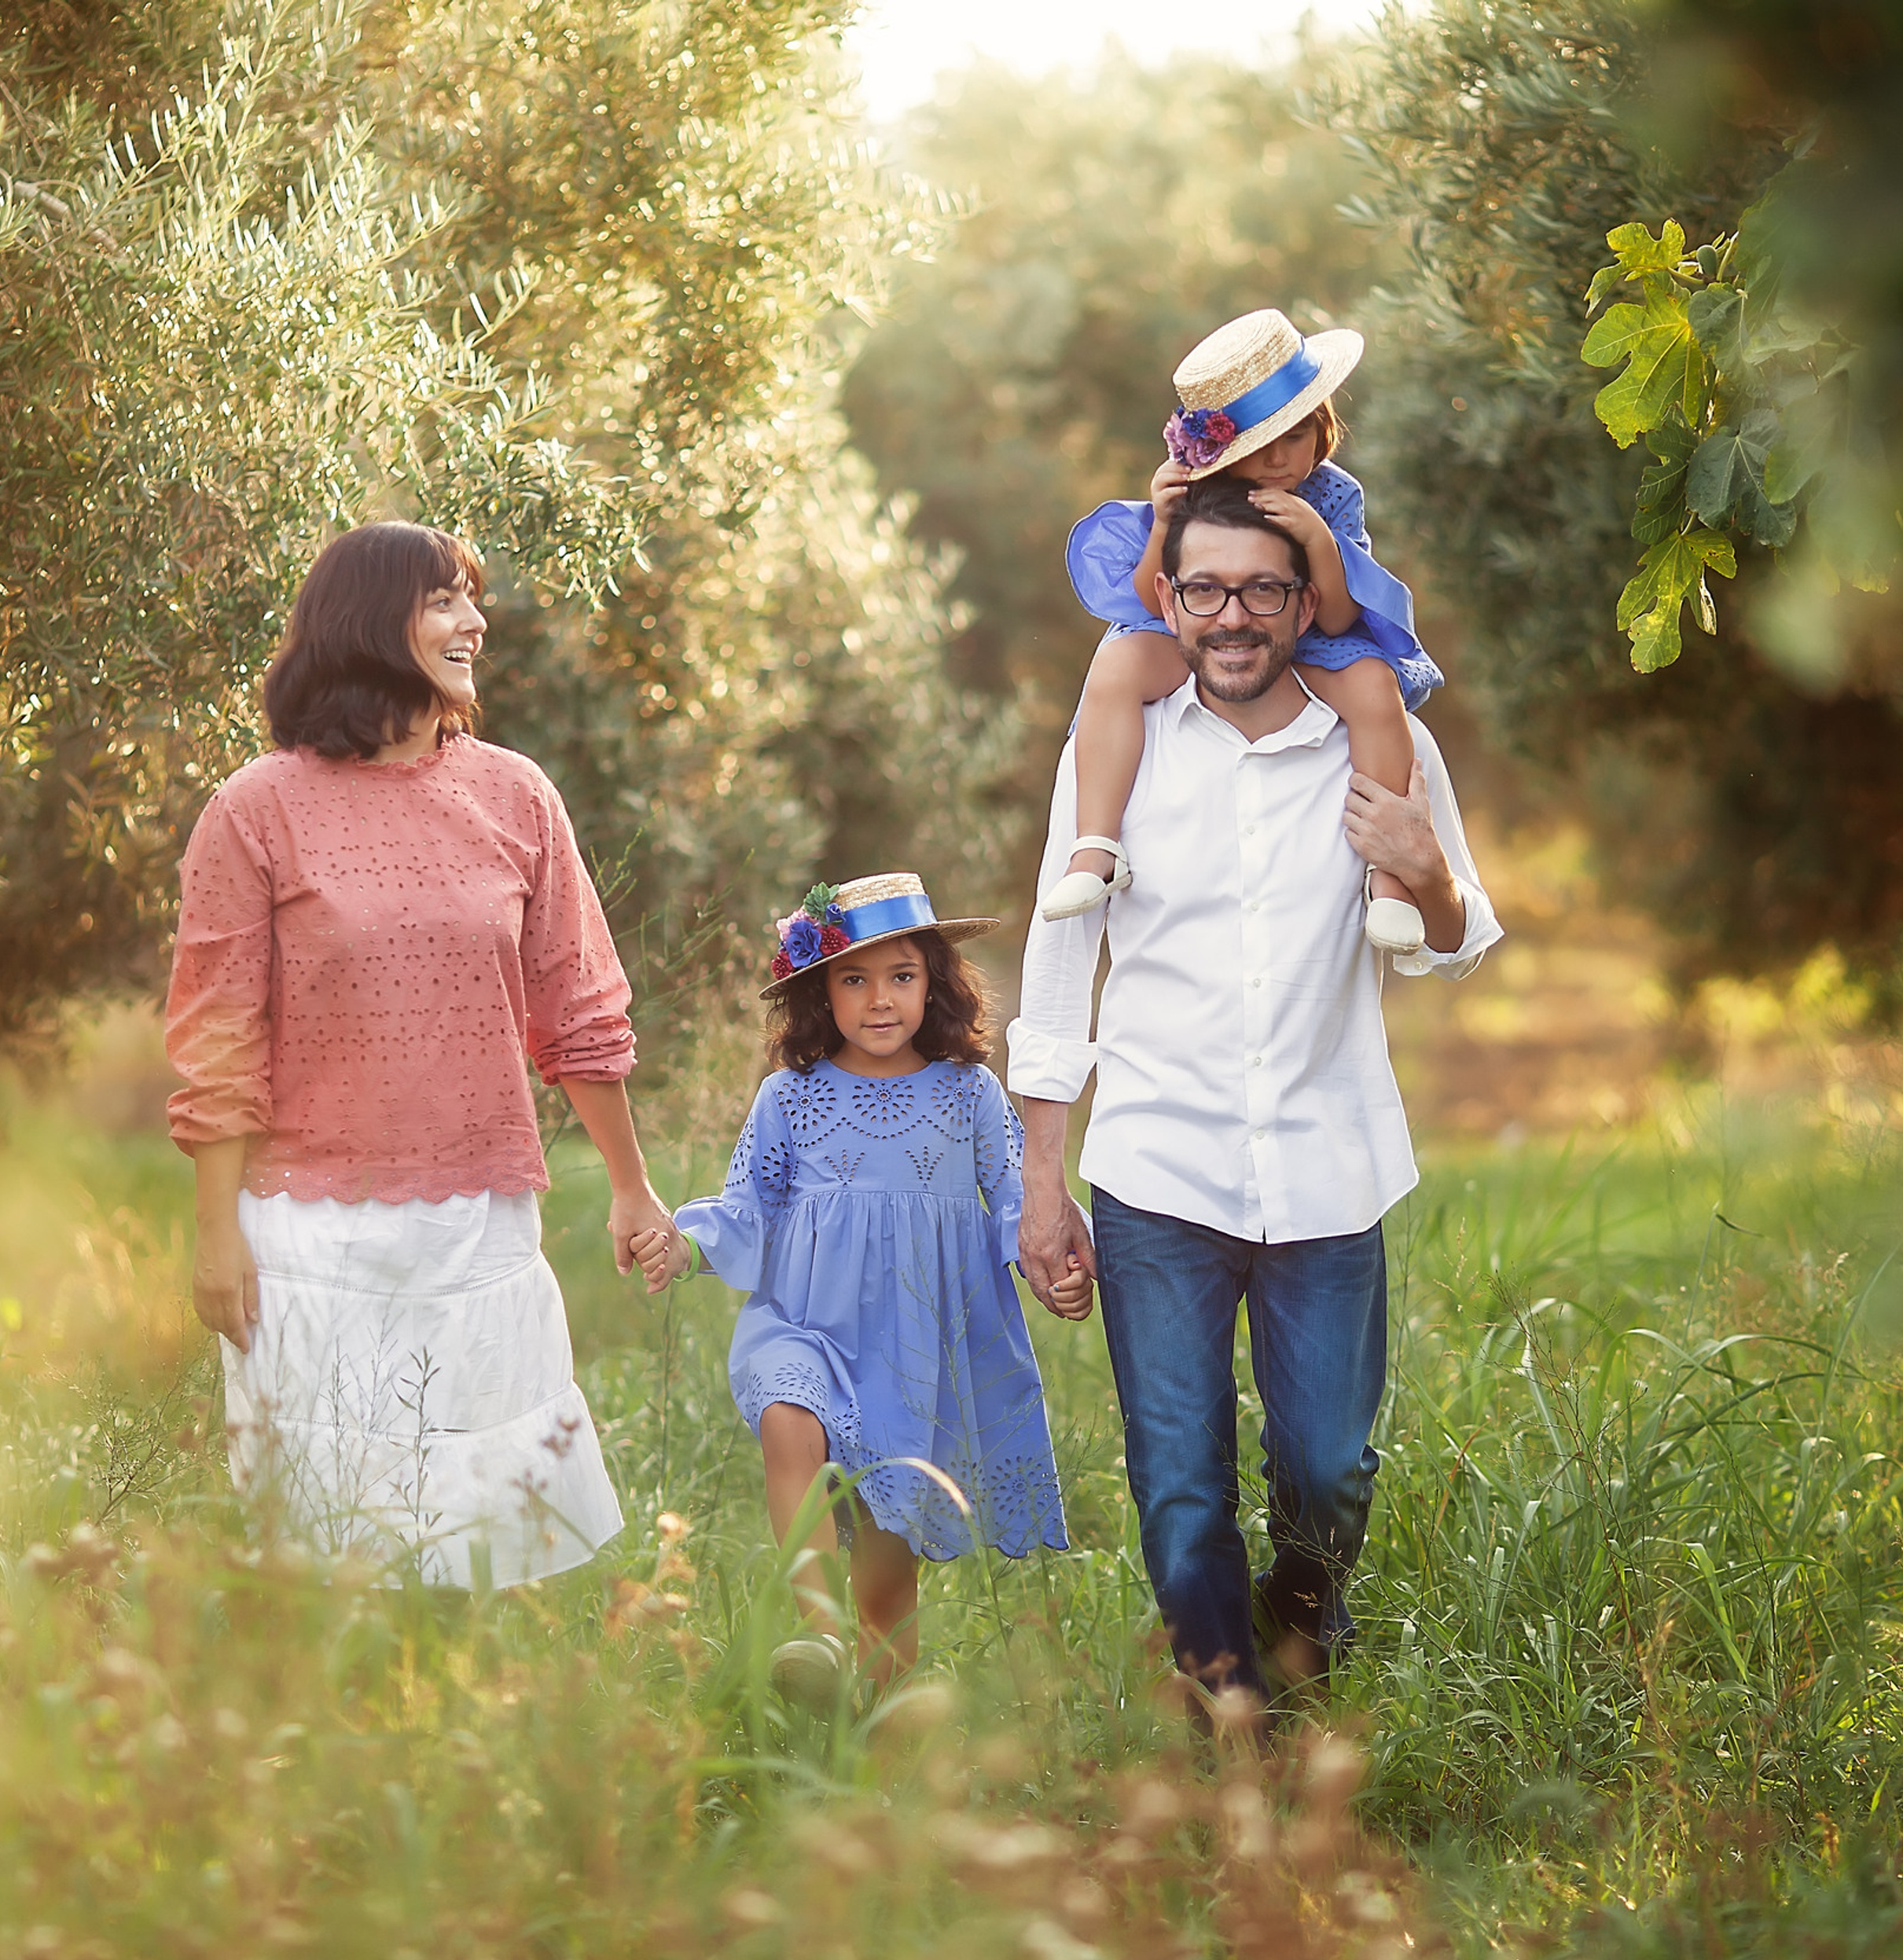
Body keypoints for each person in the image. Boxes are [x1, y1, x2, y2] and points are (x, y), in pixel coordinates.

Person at [1010, 476, 1501, 1705]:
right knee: (1179, 1487)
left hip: (1329, 1168)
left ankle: (1301, 1618)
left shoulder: (1377, 733)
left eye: (1262, 591)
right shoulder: (1116, 743)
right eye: (1208, 589)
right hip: (1156, 1172)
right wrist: (1038, 1180)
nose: (1234, 617)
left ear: (1305, 600)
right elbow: (1062, 956)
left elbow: (1458, 933)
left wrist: (1424, 872)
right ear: (1167, 596)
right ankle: (1231, 1714)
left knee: (1330, 1470)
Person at [165, 521, 676, 1589]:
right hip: (308, 1239)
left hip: (477, 1224)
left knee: (488, 1545)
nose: (475, 623)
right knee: (323, 1556)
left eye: (472, 599)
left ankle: (474, 1739)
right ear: (370, 621)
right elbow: (219, 1043)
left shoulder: (515, 794)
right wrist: (217, 1237)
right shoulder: (255, 812)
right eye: (447, 600)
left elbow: (576, 1010)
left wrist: (632, 1188)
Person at [632, 873, 1083, 1690]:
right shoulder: (790, 1098)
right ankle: (819, 1633)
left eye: (901, 975)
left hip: (910, 1354)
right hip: (803, 1323)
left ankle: (874, 1727)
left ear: (934, 982)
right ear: (819, 992)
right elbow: (745, 1210)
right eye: (854, 978)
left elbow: (1018, 1200)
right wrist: (684, 1247)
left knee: (886, 1557)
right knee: (786, 1415)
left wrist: (1051, 1269)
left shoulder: (968, 1094)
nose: (881, 1000)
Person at [1039, 308, 1445, 962]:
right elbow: (1152, 599)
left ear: (1324, 429)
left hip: (1311, 637)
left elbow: (1339, 618)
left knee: (1374, 688)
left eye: (1297, 435)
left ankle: (1389, 878)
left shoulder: (1335, 497)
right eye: (1258, 444)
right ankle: (1096, 844)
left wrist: (1316, 537)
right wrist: (1164, 516)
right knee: (1115, 665)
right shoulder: (1199, 495)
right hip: (1207, 631)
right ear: (1225, 450)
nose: (1279, 458)